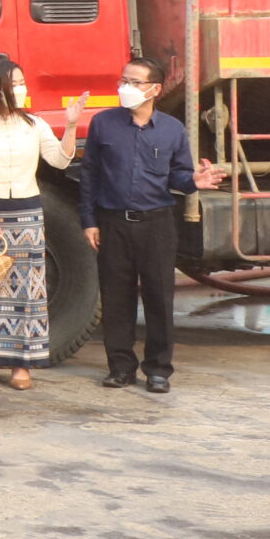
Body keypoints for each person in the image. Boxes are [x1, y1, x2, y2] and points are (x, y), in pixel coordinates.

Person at [81, 57, 223, 394]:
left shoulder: (172, 129)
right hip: (113, 223)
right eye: (123, 81)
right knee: (117, 298)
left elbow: (178, 175)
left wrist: (194, 181)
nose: (125, 88)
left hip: (157, 224)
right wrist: (89, 221)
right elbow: (90, 175)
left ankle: (158, 370)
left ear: (155, 89)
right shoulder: (103, 124)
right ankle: (120, 367)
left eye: (134, 82)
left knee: (159, 298)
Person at [0, 57, 78, 389]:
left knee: (27, 293)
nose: (20, 89)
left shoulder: (34, 124)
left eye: (22, 83)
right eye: (13, 84)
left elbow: (59, 160)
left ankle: (22, 365)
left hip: (26, 214)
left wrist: (70, 126)